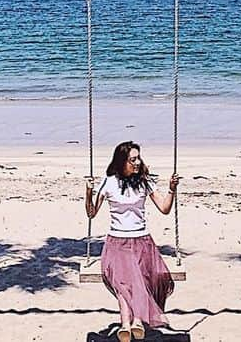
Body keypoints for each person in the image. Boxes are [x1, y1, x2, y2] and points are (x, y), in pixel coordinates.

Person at [85, 140, 180, 342]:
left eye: (138, 158)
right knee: (123, 281)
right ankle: (129, 323)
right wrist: (88, 192)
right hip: (116, 243)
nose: (137, 163)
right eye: (132, 159)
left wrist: (171, 189)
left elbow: (164, 208)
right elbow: (91, 213)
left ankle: (131, 323)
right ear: (122, 162)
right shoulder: (108, 182)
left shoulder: (145, 182)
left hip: (142, 241)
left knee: (137, 279)